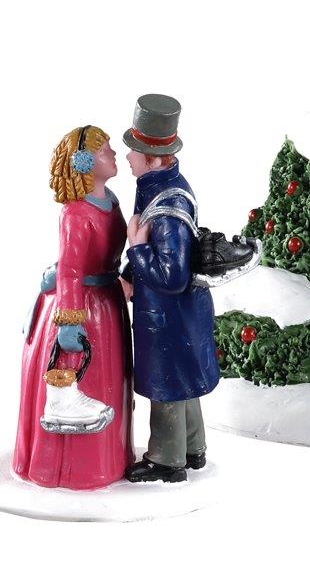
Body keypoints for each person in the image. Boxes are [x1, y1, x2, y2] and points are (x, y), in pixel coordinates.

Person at [14, 126, 134, 490]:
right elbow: (69, 270)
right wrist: (69, 322)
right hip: (82, 306)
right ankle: (68, 468)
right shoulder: (76, 214)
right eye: (105, 150)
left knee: (109, 384)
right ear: (84, 162)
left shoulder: (111, 201)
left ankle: (110, 459)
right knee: (80, 382)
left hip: (107, 302)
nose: (113, 154)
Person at [122, 94, 221, 483]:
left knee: (167, 387)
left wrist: (136, 249)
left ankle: (166, 459)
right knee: (184, 383)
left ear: (153, 159)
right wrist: (130, 273)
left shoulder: (167, 209)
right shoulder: (156, 186)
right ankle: (193, 448)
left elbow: (172, 275)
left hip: (169, 317)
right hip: (179, 316)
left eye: (134, 150)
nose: (128, 156)